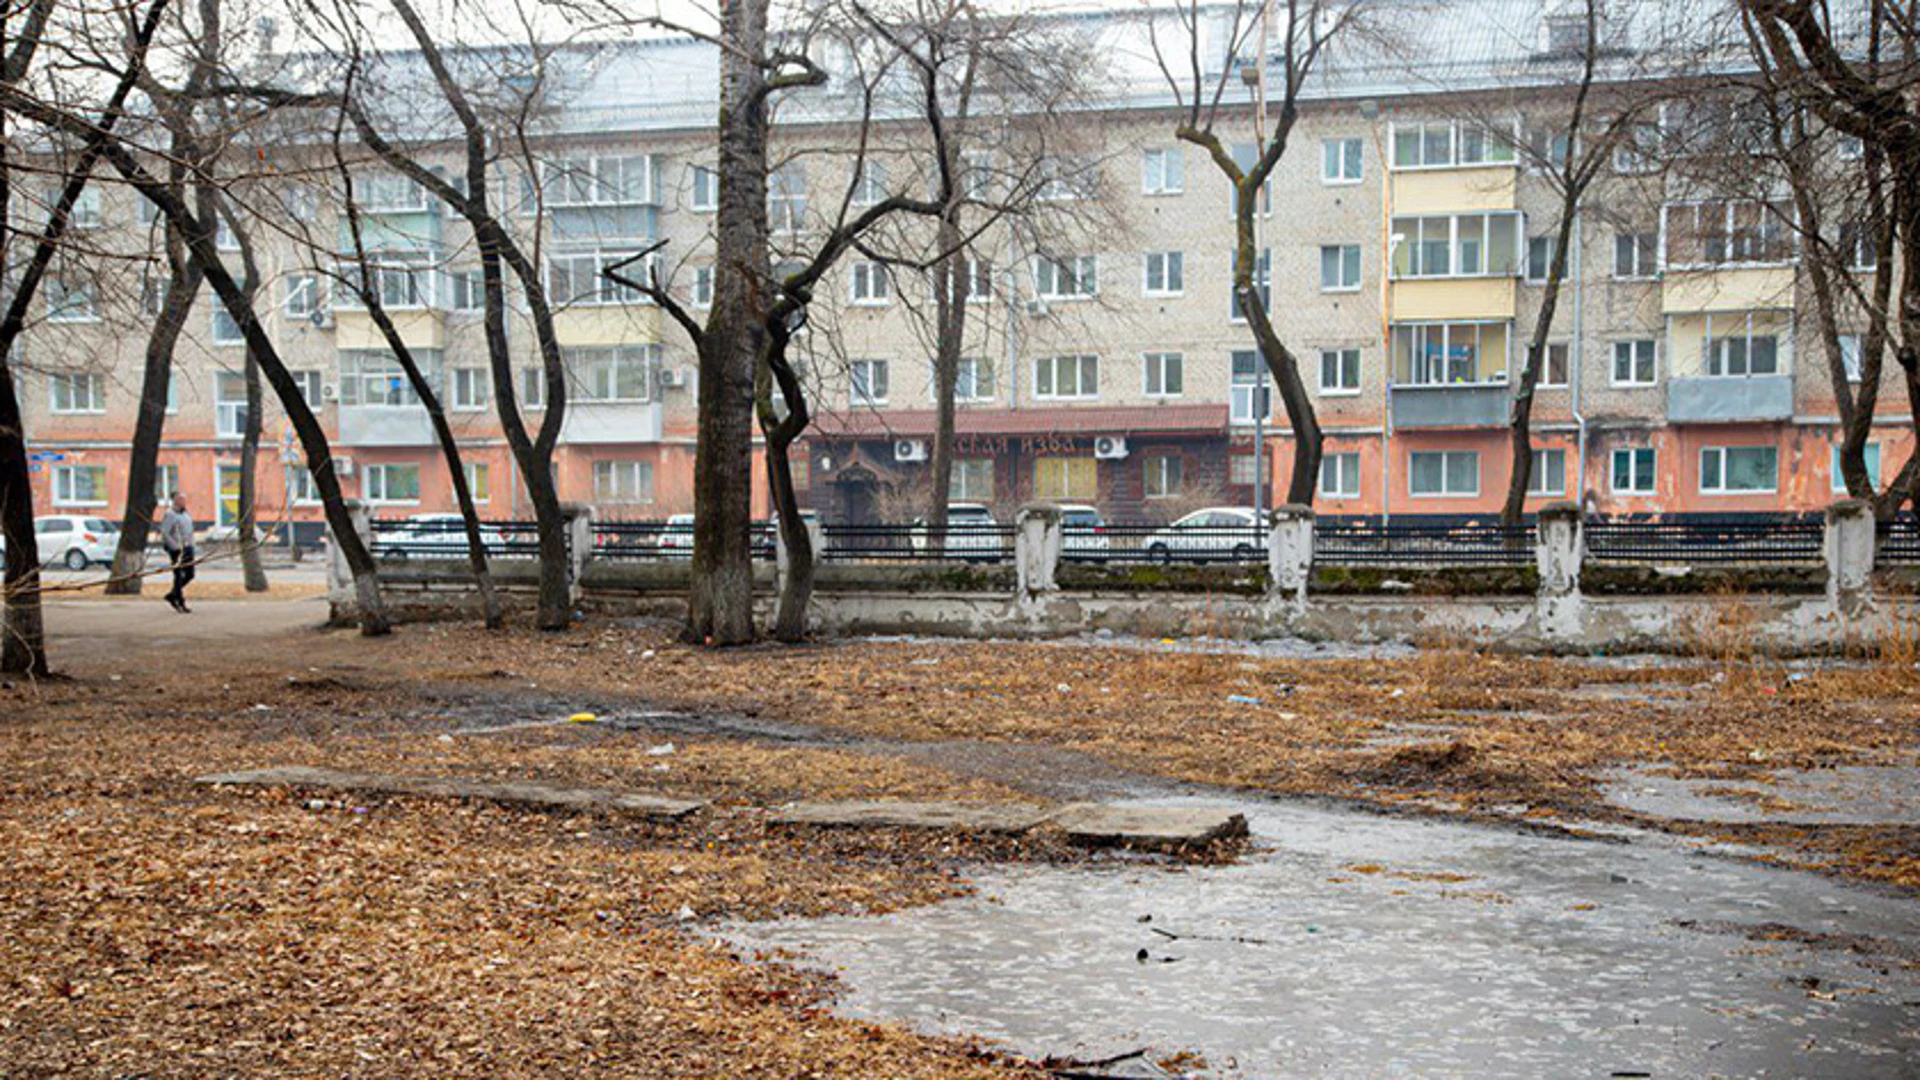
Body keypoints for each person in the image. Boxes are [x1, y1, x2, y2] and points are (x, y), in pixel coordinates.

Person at [159, 492, 195, 613]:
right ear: (174, 500)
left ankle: (172, 594)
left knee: (190, 574)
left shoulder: (185, 513)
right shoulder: (170, 514)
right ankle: (179, 601)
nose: (183, 501)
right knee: (179, 575)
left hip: (188, 547)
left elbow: (188, 530)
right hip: (177, 549)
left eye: (184, 499)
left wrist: (191, 544)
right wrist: (175, 547)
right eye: (180, 499)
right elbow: (165, 532)